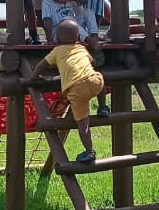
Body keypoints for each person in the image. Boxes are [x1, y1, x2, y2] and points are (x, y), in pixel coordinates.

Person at [31, 19, 106, 162]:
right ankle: (103, 107)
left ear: (57, 39)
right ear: (78, 38)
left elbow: (42, 64)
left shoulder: (57, 51)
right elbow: (93, 63)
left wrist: (34, 76)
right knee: (100, 80)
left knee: (83, 124)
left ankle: (89, 151)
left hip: (77, 90)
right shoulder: (81, 48)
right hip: (93, 79)